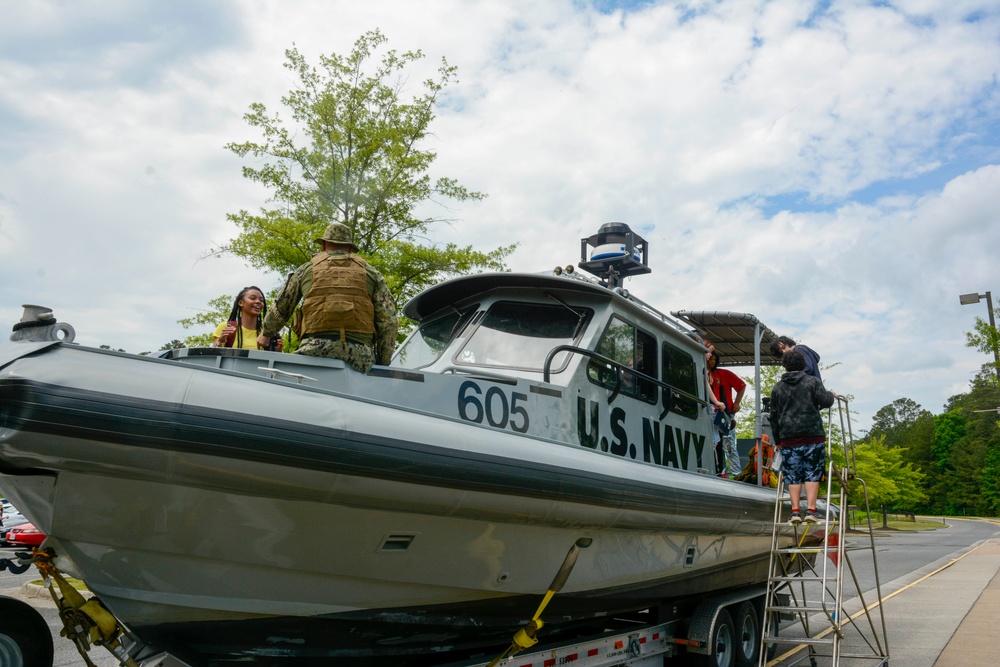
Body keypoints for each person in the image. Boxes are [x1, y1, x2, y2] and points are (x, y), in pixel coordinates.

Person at [258, 222, 398, 372]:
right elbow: (388, 321)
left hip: (313, 352)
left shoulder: (305, 269)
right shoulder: (372, 273)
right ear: (350, 248)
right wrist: (383, 362)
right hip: (360, 356)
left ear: (324, 246)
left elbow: (282, 307)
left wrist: (266, 333)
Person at [769, 348, 836, 525]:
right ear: (803, 364)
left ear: (785, 366)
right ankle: (811, 511)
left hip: (789, 438)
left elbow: (773, 417)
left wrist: (778, 441)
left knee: (792, 475)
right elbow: (826, 401)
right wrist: (831, 395)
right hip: (813, 435)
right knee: (813, 473)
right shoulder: (812, 382)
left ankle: (795, 511)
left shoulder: (777, 388)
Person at [707, 350, 747, 478]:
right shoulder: (703, 374)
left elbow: (741, 386)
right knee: (714, 444)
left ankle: (737, 474)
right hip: (708, 414)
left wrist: (737, 403)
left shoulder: (724, 374)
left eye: (714, 359)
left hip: (725, 415)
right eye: (710, 359)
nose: (712, 361)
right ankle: (720, 472)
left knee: (729, 445)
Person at [212, 286, 281, 351]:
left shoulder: (267, 332)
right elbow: (214, 355)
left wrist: (277, 350)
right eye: (253, 298)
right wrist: (221, 341)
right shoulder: (226, 327)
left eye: (261, 300)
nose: (258, 302)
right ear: (241, 303)